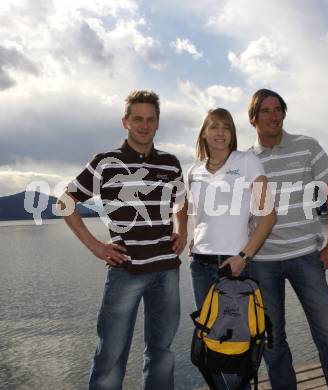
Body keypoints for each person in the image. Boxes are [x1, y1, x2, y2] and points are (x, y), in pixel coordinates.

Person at [57, 90, 187, 390]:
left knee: (162, 353)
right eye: (137, 119)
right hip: (125, 270)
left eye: (150, 119)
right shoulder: (106, 162)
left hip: (167, 270)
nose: (144, 125)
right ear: (125, 122)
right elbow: (65, 202)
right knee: (111, 357)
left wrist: (183, 229)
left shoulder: (170, 163)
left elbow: (182, 201)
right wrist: (95, 246)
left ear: (157, 123)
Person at [246, 88, 328, 389]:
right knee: (273, 341)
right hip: (262, 261)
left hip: (305, 256)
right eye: (265, 111)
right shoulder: (245, 160)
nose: (273, 116)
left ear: (284, 112)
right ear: (253, 118)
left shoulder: (307, 146)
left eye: (277, 109)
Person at [187, 108, 276, 389]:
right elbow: (196, 212)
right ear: (204, 133)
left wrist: (243, 256)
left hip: (234, 265)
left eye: (226, 127)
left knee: (238, 346)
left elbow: (268, 215)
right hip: (200, 266)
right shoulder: (194, 171)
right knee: (211, 344)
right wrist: (194, 238)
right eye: (213, 127)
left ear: (233, 133)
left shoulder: (246, 161)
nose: (220, 132)